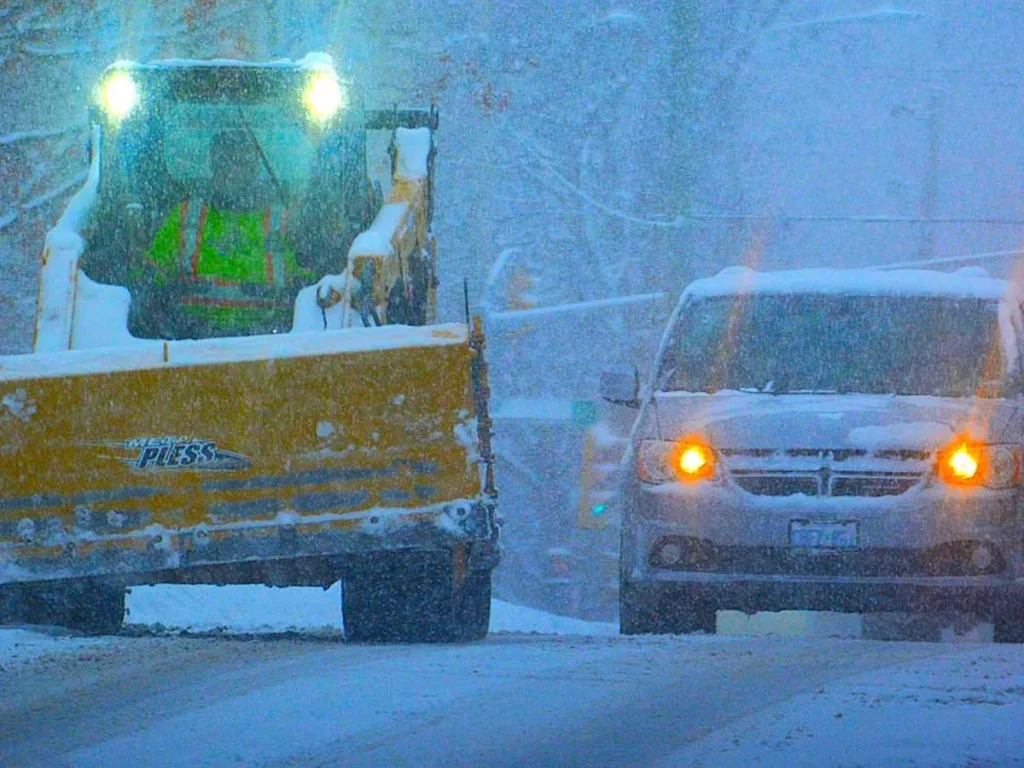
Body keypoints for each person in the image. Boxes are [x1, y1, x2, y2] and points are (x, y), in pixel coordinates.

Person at [131, 130, 323, 339]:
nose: (232, 170)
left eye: (240, 162)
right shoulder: (186, 217)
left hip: (270, 345)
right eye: (224, 162)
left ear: (254, 168)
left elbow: (312, 290)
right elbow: (148, 280)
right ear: (213, 166)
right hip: (189, 344)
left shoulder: (284, 222)